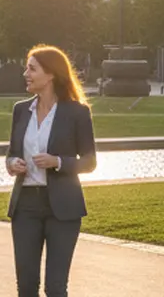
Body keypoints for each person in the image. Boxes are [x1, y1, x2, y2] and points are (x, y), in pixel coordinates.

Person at [7, 45, 97, 297]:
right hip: (24, 206)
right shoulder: (20, 110)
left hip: (63, 209)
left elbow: (90, 161)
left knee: (55, 288)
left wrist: (57, 162)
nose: (26, 73)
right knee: (26, 287)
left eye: (32, 68)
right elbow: (12, 152)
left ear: (51, 75)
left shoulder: (77, 112)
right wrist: (12, 164)